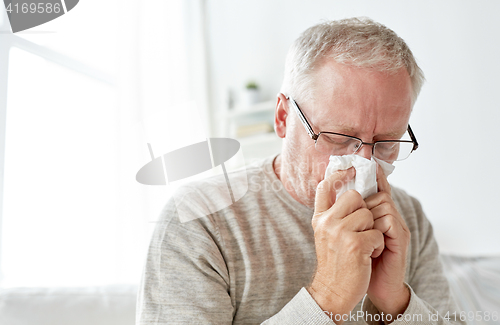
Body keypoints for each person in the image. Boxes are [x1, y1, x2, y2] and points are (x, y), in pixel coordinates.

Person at [136, 17, 465, 324]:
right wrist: (329, 297)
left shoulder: (407, 219)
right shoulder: (198, 219)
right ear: (282, 117)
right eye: (338, 137)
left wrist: (397, 303)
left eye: (386, 142)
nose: (365, 162)